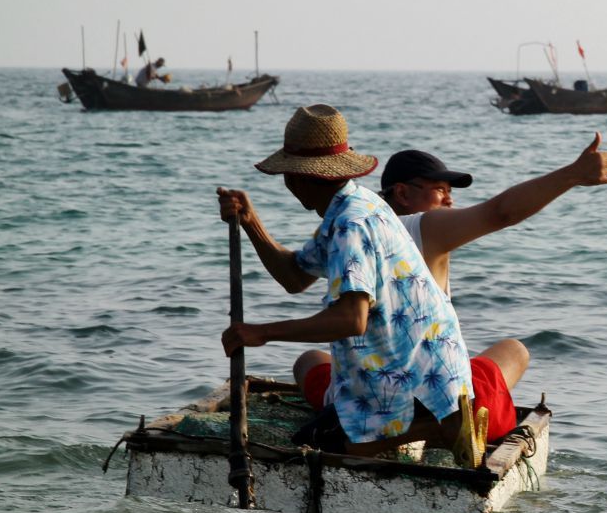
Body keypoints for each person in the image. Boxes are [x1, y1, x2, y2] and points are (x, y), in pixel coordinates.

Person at [217, 104, 524, 455]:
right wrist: (251, 222)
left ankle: (440, 428)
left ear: (300, 178)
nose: (287, 184)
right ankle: (441, 422)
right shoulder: (356, 204)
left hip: (415, 383)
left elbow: (351, 319)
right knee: (326, 420)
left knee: (329, 445)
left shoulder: (351, 223)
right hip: (432, 374)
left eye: (288, 174)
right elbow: (294, 276)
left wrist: (262, 332)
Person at [378, 135, 607, 297]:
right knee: (515, 351)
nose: (449, 200)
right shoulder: (419, 227)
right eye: (440, 190)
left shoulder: (363, 228)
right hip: (426, 370)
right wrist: (573, 174)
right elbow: (501, 213)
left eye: (450, 191)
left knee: (513, 351)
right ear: (402, 193)